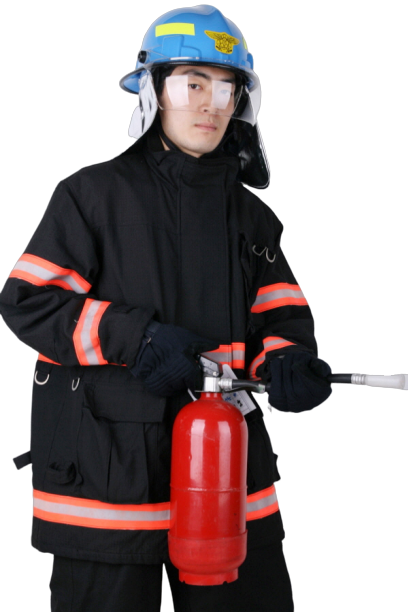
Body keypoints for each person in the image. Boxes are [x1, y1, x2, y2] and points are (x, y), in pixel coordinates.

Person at [0, 6, 333, 611]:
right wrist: (139, 338)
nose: (212, 105)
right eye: (193, 84)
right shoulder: (91, 195)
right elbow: (30, 303)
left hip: (226, 477)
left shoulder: (253, 218)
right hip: (109, 479)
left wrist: (288, 361)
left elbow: (281, 316)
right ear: (154, 91)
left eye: (228, 89)